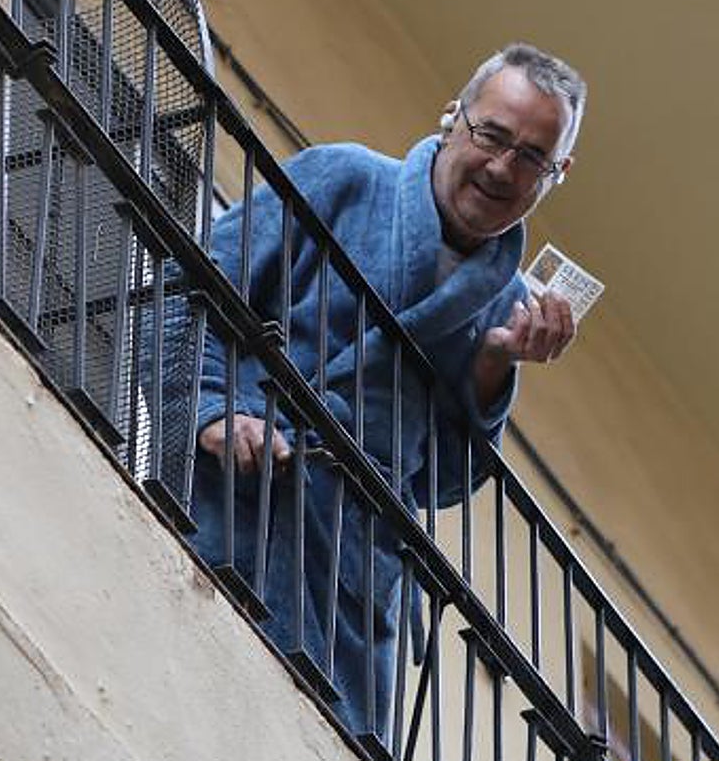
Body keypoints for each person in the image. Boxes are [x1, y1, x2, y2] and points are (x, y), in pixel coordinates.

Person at [186, 43, 587, 739]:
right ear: (453, 116)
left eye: (531, 157)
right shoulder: (342, 179)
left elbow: (441, 483)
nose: (501, 168)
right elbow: (193, 286)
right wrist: (211, 408)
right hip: (240, 485)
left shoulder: (507, 309)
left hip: (350, 575)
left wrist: (494, 366)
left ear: (557, 174)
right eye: (491, 135)